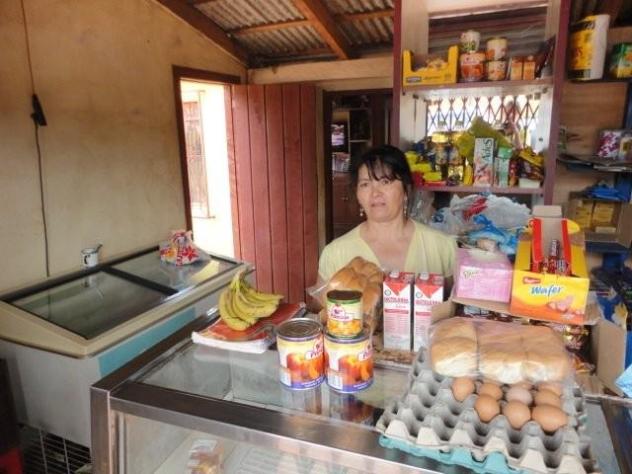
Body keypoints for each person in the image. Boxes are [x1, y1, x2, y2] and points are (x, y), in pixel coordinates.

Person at [318, 145, 457, 292]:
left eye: (385, 182)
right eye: (365, 184)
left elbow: (456, 302)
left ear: (406, 190)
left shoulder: (443, 247)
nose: (375, 193)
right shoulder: (335, 254)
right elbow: (321, 304)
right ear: (357, 194)